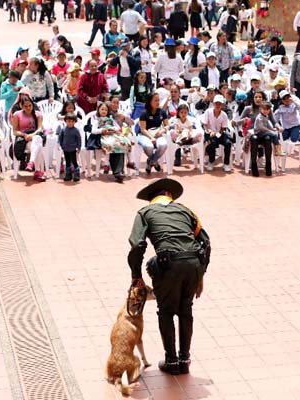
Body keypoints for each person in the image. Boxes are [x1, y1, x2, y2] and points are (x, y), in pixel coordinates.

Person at [127, 177, 210, 376]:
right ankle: (185, 359)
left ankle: (171, 361)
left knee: (166, 312)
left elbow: (138, 244)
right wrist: (200, 275)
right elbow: (205, 242)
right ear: (170, 196)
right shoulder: (186, 210)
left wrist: (136, 275)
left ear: (151, 199)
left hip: (168, 265)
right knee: (185, 309)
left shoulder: (145, 212)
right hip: (194, 264)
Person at [12, 96, 48, 181]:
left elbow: (39, 128)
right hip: (25, 141)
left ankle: (31, 163)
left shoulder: (38, 114)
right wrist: (24, 135)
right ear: (21, 106)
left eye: (30, 106)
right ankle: (37, 171)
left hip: (34, 137)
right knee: (38, 145)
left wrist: (32, 135)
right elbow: (15, 131)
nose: (28, 108)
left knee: (38, 139)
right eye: (26, 106)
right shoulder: (17, 115)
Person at [137, 92, 169, 174]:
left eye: (158, 100)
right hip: (144, 134)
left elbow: (167, 125)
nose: (158, 102)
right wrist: (151, 137)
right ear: (150, 101)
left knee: (163, 145)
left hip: (157, 133)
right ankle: (155, 162)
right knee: (148, 146)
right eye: (155, 100)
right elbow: (143, 129)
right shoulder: (144, 113)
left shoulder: (162, 112)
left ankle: (151, 161)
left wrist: (163, 130)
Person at [201, 94, 232, 172]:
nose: (218, 105)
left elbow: (223, 128)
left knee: (228, 143)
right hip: (209, 133)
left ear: (222, 105)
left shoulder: (224, 115)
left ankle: (226, 163)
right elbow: (205, 124)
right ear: (213, 104)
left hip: (220, 134)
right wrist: (210, 131)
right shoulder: (208, 112)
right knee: (212, 143)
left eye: (220, 103)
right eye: (216, 103)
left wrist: (218, 134)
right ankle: (211, 161)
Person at [57, 113, 82, 181]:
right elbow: (60, 137)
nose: (70, 123)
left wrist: (78, 147)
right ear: (65, 121)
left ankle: (76, 175)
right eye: (69, 121)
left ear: (75, 122)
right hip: (65, 149)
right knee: (67, 162)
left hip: (73, 149)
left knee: (74, 162)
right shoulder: (63, 129)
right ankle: (68, 175)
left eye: (72, 121)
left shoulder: (76, 130)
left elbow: (79, 139)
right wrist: (59, 144)